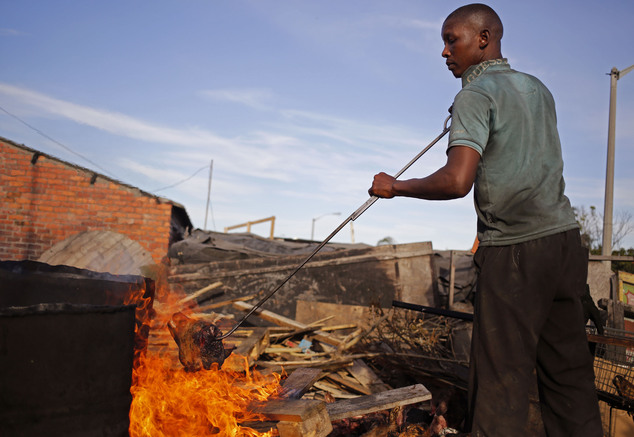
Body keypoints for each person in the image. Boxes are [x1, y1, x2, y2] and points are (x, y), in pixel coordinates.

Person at [369, 4, 603, 436]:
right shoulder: (538, 89)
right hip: (566, 245)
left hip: (515, 251)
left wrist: (395, 187)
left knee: (499, 386)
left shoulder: (474, 96)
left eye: (450, 39)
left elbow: (457, 181)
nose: (443, 51)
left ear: (484, 38)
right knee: (570, 382)